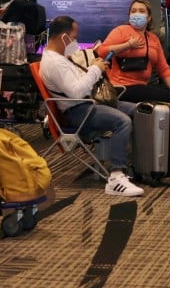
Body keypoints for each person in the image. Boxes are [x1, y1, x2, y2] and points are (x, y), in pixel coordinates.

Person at [39, 16, 144, 197]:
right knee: (123, 121)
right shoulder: (54, 63)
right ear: (64, 37)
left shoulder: (60, 58)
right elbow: (77, 92)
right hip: (78, 111)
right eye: (73, 37)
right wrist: (95, 70)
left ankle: (136, 166)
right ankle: (116, 177)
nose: (75, 41)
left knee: (140, 111)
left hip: (88, 104)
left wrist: (94, 67)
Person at [97, 0, 170, 104]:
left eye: (141, 11)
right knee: (168, 98)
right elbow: (102, 51)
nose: (137, 14)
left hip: (142, 86)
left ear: (149, 17)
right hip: (122, 87)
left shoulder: (153, 39)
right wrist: (128, 45)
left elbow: (163, 69)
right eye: (133, 11)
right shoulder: (121, 31)